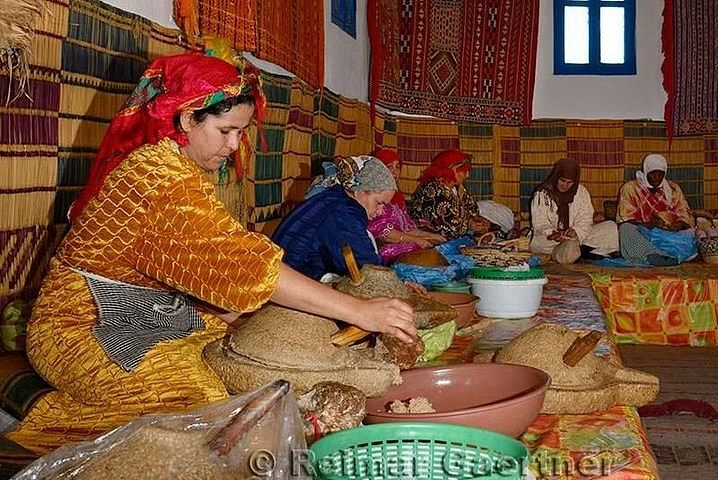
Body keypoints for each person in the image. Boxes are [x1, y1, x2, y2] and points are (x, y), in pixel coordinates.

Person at [5, 53, 416, 454]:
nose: (235, 145)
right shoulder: (155, 176)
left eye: (241, 132)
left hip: (145, 312)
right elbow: (242, 263)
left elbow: (200, 261)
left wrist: (231, 311)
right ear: (188, 118)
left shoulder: (180, 170)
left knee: (239, 354)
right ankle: (30, 408)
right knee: (198, 400)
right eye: (226, 131)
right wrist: (358, 311)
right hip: (82, 322)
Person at [272, 155, 398, 280]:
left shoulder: (332, 198)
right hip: (288, 282)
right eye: (379, 203)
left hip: (286, 274)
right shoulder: (344, 211)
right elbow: (367, 266)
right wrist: (397, 281)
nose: (381, 212)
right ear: (359, 190)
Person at [529, 158, 619, 264]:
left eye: (569, 182)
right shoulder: (542, 194)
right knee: (543, 243)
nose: (565, 186)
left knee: (610, 227)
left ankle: (572, 252)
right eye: (562, 180)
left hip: (577, 238)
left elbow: (586, 219)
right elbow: (540, 223)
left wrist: (576, 231)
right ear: (556, 177)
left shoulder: (581, 192)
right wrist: (553, 233)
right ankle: (575, 253)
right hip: (551, 241)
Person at [367, 149, 446, 263]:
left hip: (402, 243)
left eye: (397, 166)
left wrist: (433, 236)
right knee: (424, 253)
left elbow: (409, 228)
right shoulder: (374, 194)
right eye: (389, 166)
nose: (394, 171)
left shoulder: (397, 196)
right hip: (383, 249)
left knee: (438, 247)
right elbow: (384, 234)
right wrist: (417, 241)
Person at [617, 153, 696, 265]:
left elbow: (685, 215)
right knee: (625, 230)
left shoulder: (673, 189)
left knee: (693, 235)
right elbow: (625, 219)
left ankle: (665, 255)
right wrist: (650, 224)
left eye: (661, 174)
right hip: (643, 235)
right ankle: (653, 255)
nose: (657, 178)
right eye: (653, 174)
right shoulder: (630, 188)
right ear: (646, 171)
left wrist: (678, 224)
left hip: (669, 236)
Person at [409, 149, 493, 239]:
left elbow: (472, 208)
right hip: (430, 235)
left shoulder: (457, 187)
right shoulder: (433, 189)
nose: (467, 175)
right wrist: (469, 225)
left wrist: (480, 221)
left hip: (457, 233)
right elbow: (443, 224)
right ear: (453, 170)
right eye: (464, 171)